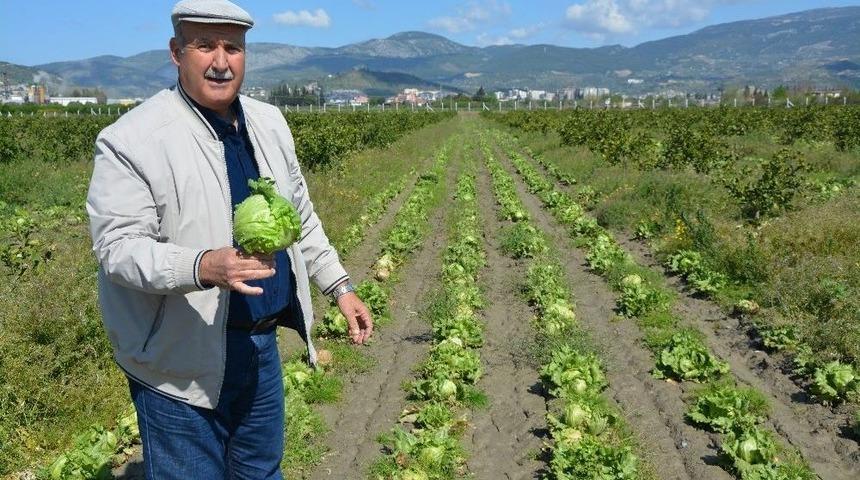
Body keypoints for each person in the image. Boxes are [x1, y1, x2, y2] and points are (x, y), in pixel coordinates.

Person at [86, 0, 373, 477]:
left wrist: (339, 287)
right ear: (177, 52)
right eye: (205, 46)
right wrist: (202, 266)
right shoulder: (130, 140)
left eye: (233, 48)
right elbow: (116, 248)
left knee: (261, 471)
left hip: (259, 349)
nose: (221, 61)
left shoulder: (270, 123)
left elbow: (299, 214)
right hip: (179, 361)